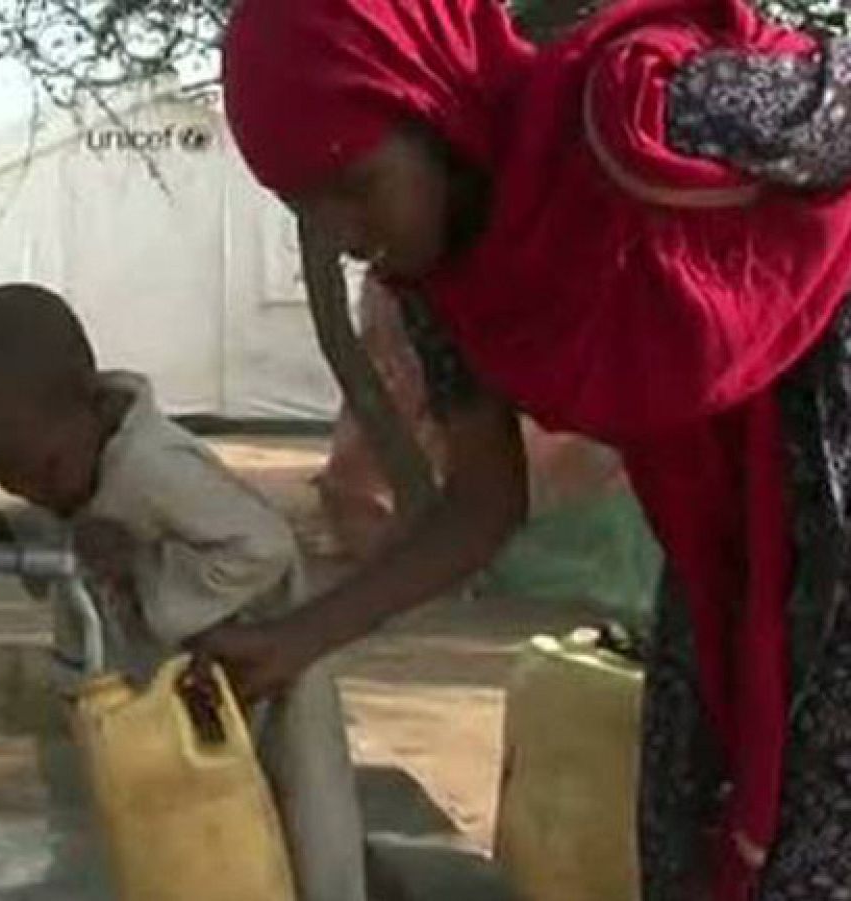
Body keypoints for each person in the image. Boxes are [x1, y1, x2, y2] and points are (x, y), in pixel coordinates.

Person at [206, 0, 851, 897]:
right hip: (721, 543)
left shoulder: (648, 113)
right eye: (304, 208)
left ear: (425, 105)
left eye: (353, 184)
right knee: (687, 835)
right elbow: (483, 500)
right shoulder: (446, 286)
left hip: (828, 478)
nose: (344, 233)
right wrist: (293, 641)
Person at [0, 283, 367, 901]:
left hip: (268, 681)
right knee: (186, 841)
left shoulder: (153, 468)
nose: (41, 493)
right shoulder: (73, 455)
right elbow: (70, 535)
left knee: (305, 835)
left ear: (89, 401)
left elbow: (261, 547)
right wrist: (15, 531)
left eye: (44, 472)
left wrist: (140, 570)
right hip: (176, 696)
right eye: (11, 482)